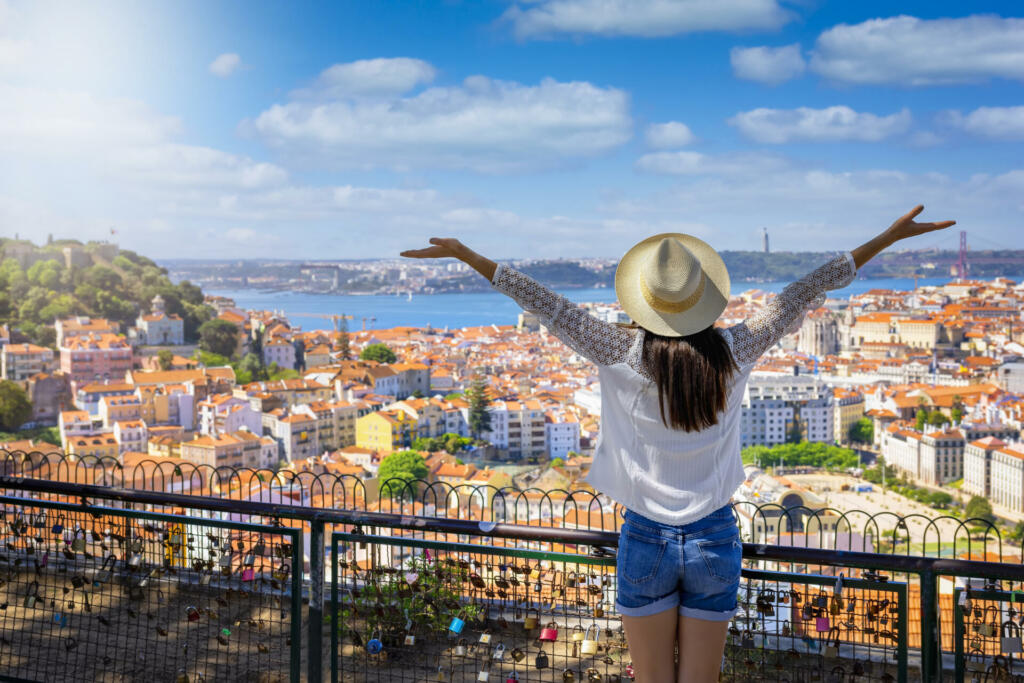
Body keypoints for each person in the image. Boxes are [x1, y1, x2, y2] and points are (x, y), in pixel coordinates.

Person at [400, 205, 954, 682]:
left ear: (646, 301)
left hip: (645, 535)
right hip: (715, 533)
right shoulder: (735, 350)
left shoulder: (617, 350)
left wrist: (470, 255)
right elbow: (803, 290)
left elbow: (546, 303)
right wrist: (886, 239)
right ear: (703, 298)